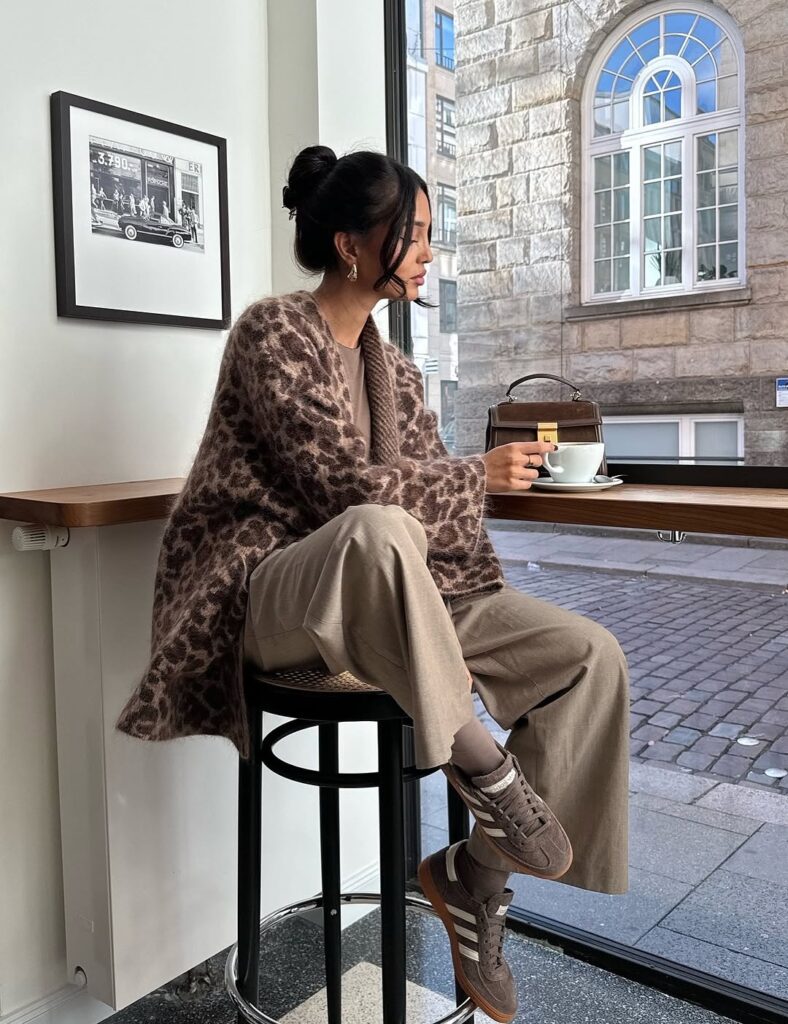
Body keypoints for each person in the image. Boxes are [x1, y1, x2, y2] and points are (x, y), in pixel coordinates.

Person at [115, 146, 629, 1024]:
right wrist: (476, 475)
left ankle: (475, 879)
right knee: (377, 525)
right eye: (415, 235)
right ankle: (489, 775)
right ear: (353, 244)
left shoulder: (395, 371)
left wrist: (481, 519)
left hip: (386, 589)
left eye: (430, 236)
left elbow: (437, 511)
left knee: (590, 655)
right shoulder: (272, 332)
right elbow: (346, 494)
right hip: (271, 594)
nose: (429, 253)